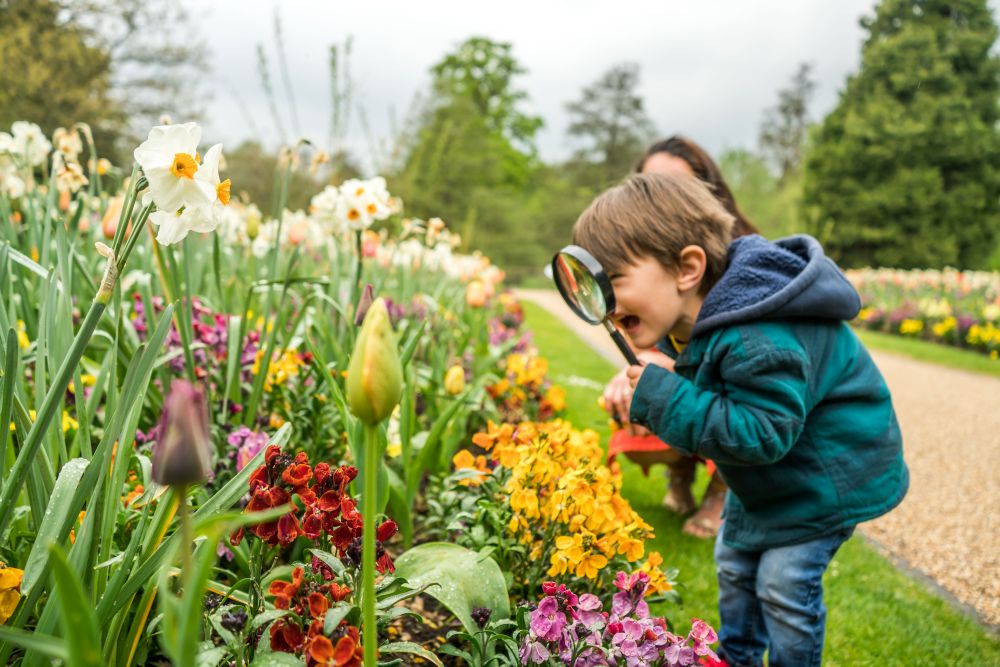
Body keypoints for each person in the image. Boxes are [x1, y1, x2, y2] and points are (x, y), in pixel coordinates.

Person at [574, 172, 908, 667]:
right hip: (771, 478)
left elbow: (761, 433)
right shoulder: (694, 322)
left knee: (783, 587)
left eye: (615, 281)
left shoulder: (756, 336)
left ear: (687, 269)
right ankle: (737, 657)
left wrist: (666, 398)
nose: (605, 303)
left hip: (824, 479)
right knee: (732, 565)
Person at [603, 136, 759, 539]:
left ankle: (723, 493)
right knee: (637, 394)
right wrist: (633, 373)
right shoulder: (642, 259)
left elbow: (752, 403)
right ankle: (679, 475)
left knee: (732, 406)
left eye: (674, 185)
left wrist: (669, 372)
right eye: (648, 185)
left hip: (731, 392)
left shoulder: (739, 264)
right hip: (686, 377)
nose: (659, 198)